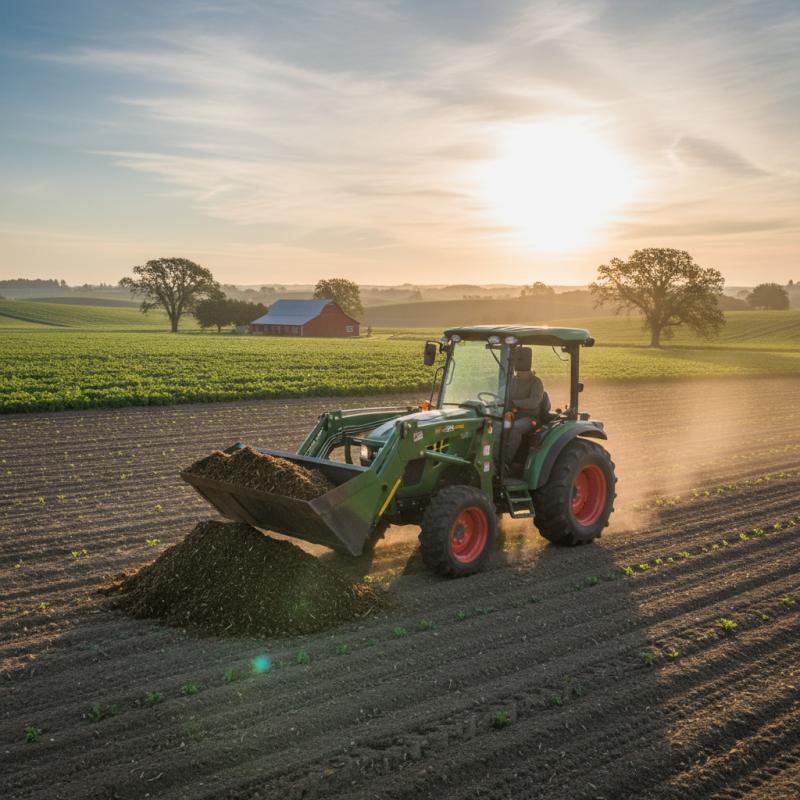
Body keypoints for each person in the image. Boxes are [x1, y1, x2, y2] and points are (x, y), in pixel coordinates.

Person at [505, 360, 544, 464]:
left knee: (516, 427)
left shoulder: (536, 382)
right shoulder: (513, 381)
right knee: (491, 422)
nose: (518, 373)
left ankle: (505, 462)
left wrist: (514, 403)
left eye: (521, 371)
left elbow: (534, 402)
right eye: (517, 371)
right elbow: (502, 393)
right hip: (513, 414)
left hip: (529, 417)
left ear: (528, 369)